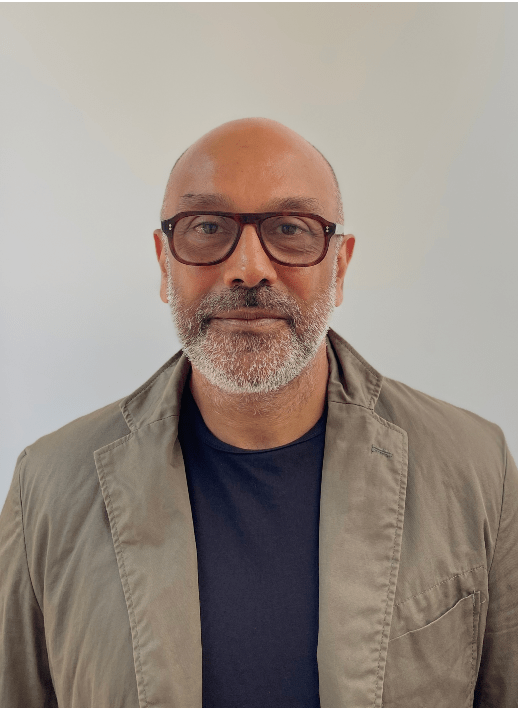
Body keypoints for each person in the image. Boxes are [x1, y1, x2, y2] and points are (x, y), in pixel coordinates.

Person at [0, 117, 516, 708]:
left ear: (340, 266)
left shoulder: (477, 472)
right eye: (208, 227)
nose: (249, 267)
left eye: (290, 228)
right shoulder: (49, 486)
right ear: (164, 263)